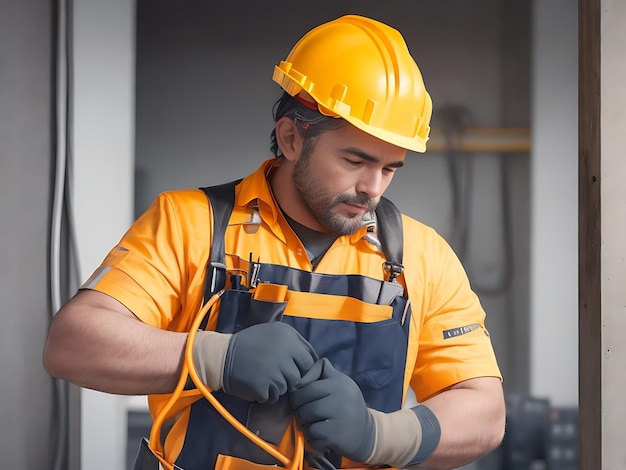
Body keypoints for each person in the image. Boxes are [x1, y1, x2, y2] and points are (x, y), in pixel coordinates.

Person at [43, 14, 505, 470]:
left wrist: (380, 435)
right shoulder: (190, 224)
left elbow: (484, 410)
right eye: (355, 160)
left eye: (389, 168)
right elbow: (72, 344)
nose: (374, 188)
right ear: (291, 139)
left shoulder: (423, 259)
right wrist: (215, 357)